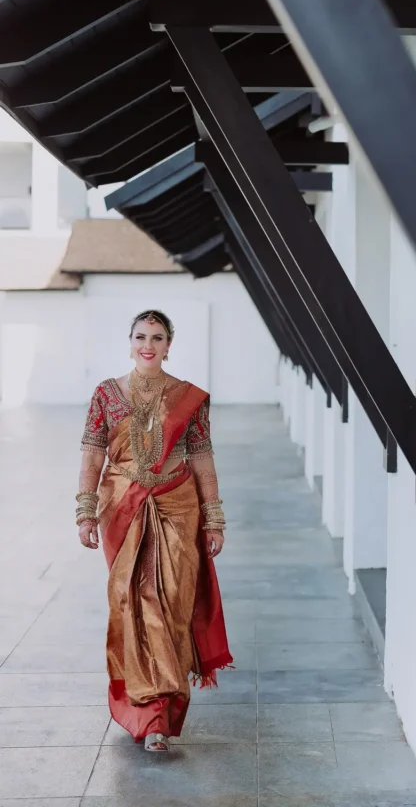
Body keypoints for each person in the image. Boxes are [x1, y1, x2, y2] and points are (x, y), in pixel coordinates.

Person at [75, 309, 232, 752]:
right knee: (135, 601)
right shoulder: (106, 394)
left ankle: (163, 707)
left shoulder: (189, 397)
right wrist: (85, 512)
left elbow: (202, 459)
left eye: (157, 337)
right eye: (141, 336)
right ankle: (149, 714)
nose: (148, 344)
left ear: (168, 345)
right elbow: (92, 455)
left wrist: (213, 517)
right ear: (129, 342)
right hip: (122, 508)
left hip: (177, 508)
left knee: (171, 607)